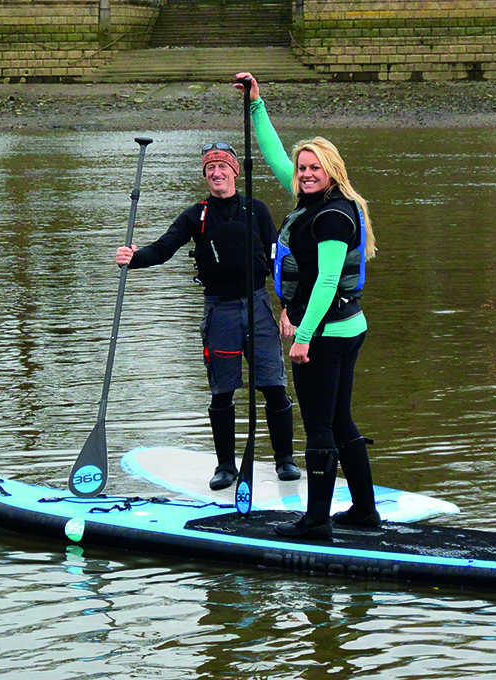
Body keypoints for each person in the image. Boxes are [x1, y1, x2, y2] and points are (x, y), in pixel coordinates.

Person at [234, 73, 379, 540]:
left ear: (332, 170)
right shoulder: (313, 200)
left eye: (315, 168)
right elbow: (277, 157)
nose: (306, 173)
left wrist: (303, 335)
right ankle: (363, 512)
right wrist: (256, 106)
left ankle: (316, 522)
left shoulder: (333, 216)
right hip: (342, 328)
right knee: (340, 420)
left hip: (328, 334)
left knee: (319, 426)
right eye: (303, 169)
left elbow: (330, 279)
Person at [116, 141, 300, 490]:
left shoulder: (257, 210)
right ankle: (226, 467)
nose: (216, 173)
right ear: (206, 175)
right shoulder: (195, 215)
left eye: (222, 167)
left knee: (274, 386)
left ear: (234, 171)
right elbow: (163, 247)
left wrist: (290, 308)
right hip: (220, 311)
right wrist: (134, 257)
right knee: (222, 392)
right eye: (210, 169)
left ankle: (285, 461)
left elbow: (281, 262)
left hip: (258, 306)